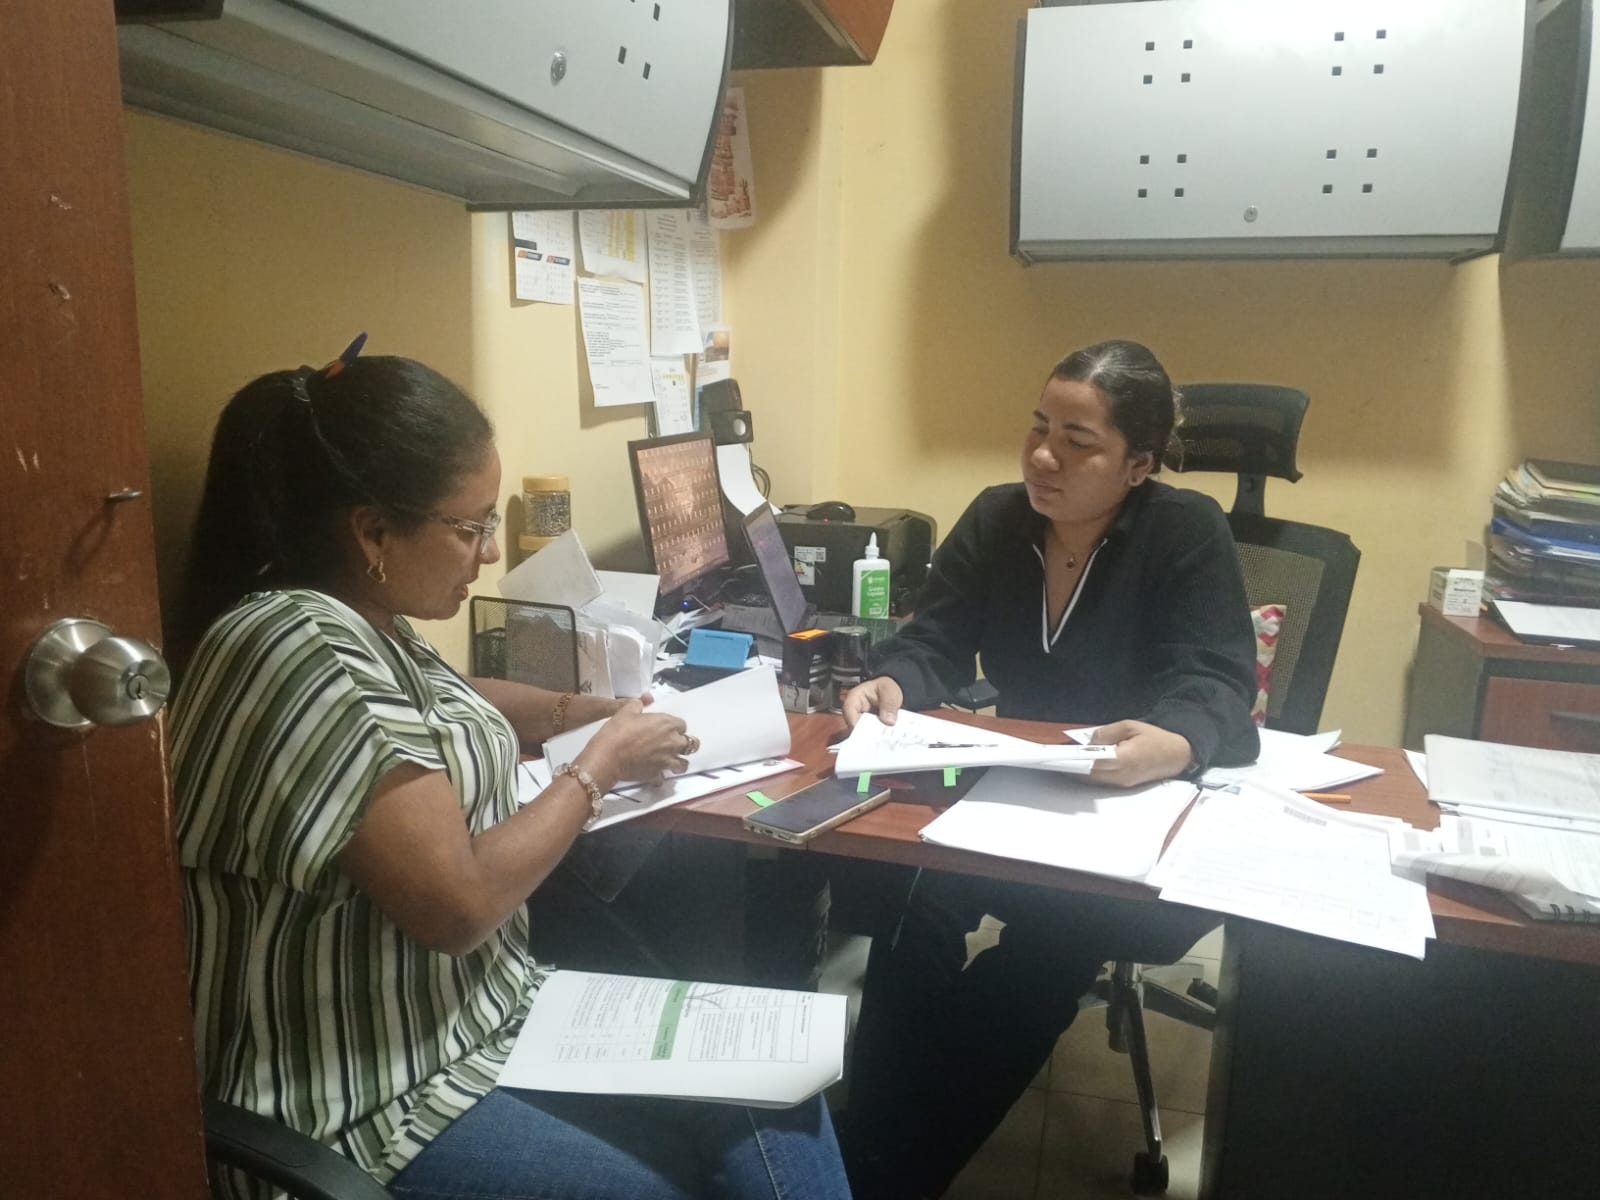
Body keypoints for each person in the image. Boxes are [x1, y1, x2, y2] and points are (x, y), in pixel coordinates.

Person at [168, 341, 851, 1200]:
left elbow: (454, 694)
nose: (489, 553)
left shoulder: (360, 619)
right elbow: (457, 907)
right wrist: (598, 766)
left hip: (487, 1021)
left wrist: (587, 711)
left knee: (779, 1088)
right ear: (373, 531)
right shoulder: (298, 646)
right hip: (372, 1099)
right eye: (471, 527)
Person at [836, 339, 1260, 1200]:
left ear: (1138, 465)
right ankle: (859, 1153)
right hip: (1012, 797)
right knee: (910, 910)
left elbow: (1218, 680)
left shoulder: (1185, 532)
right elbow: (936, 640)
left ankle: (887, 1173)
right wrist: (895, 679)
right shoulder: (998, 519)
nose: (1041, 456)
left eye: (1077, 441)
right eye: (1038, 428)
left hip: (1123, 822)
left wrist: (1173, 742)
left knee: (1036, 965)